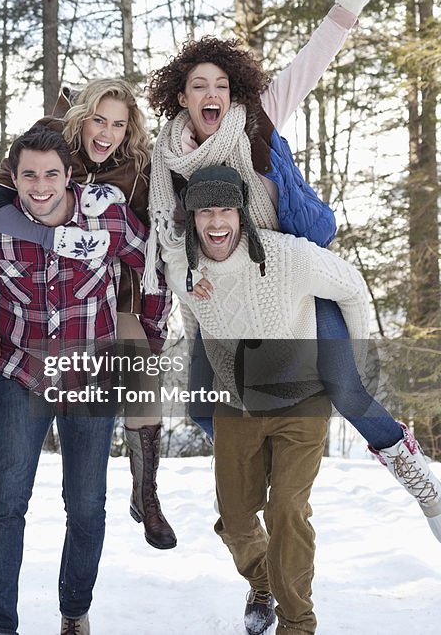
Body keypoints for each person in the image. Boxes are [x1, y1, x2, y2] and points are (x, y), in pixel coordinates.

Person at [144, 0, 432, 498]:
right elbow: (170, 237)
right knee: (203, 404)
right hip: (222, 290)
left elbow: (319, 51)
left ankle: (410, 469)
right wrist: (188, 282)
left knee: (343, 386)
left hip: (289, 275)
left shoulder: (259, 120)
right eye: (198, 85)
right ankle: (261, 474)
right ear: (181, 97)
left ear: (233, 92)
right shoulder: (167, 161)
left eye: (221, 85)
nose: (211, 93)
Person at [165, 165, 441, 634]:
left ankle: (297, 623)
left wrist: (350, 358)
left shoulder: (288, 258)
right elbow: (194, 315)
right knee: (234, 520)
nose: (216, 223)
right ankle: (263, 583)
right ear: (190, 218)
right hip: (237, 401)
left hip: (302, 398)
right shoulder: (182, 268)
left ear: (243, 213)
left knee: (287, 509)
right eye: (205, 212)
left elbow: (352, 287)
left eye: (226, 211)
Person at [0, 127, 170, 635]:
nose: (41, 185)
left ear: (69, 174)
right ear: (15, 177)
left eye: (52, 173)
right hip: (21, 372)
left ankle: (74, 611)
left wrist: (151, 336)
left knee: (87, 506)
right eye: (29, 174)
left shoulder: (107, 217)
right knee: (7, 503)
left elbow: (155, 266)